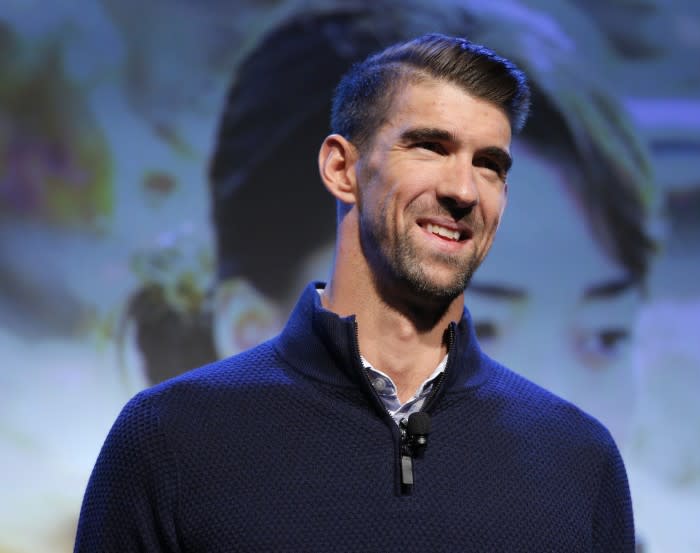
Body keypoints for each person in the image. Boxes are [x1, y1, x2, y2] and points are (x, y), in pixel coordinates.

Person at [75, 33, 635, 551]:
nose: (463, 190)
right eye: (430, 147)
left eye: (488, 164)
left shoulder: (577, 460)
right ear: (342, 168)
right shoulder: (171, 438)